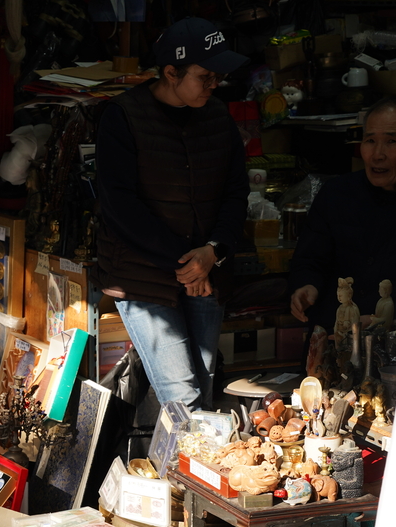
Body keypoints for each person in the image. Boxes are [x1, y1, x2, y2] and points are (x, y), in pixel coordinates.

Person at [95, 18, 250, 409]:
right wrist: (186, 261)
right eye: (205, 76)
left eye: (218, 77)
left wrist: (213, 251)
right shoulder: (123, 116)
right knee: (185, 397)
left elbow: (236, 193)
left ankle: (179, 468)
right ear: (170, 72)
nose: (215, 85)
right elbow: (119, 205)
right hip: (144, 277)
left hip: (206, 269)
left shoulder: (218, 118)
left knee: (203, 384)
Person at [289, 96, 396, 331]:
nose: (377, 154)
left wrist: (389, 321)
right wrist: (307, 286)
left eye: (391, 141)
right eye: (370, 140)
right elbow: (309, 259)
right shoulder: (337, 194)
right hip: (336, 336)